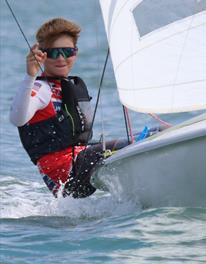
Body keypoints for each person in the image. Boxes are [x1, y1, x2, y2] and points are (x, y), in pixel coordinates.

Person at [8, 18, 128, 197]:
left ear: (76, 53)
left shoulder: (65, 86)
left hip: (81, 162)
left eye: (68, 52)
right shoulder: (40, 89)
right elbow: (17, 118)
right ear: (42, 54)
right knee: (134, 144)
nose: (62, 59)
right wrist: (29, 75)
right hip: (67, 177)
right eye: (54, 53)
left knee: (153, 134)